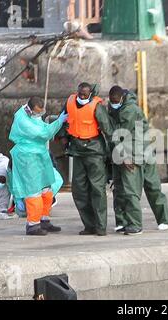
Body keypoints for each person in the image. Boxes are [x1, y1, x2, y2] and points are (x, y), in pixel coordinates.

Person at [107, 85, 168, 235]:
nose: (113, 103)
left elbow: (119, 135)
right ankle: (163, 220)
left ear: (122, 98)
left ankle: (135, 224)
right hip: (145, 151)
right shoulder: (125, 107)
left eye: (115, 100)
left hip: (133, 154)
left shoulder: (128, 111)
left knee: (129, 190)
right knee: (152, 186)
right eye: (111, 101)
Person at [8, 96, 68, 236]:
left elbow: (42, 126)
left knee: (47, 189)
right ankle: (33, 225)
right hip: (27, 156)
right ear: (30, 109)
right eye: (38, 112)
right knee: (33, 190)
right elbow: (44, 133)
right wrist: (59, 121)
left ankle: (44, 220)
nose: (40, 115)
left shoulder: (31, 114)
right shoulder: (23, 120)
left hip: (39, 154)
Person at [58, 82, 112, 236]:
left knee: (97, 189)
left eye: (85, 95)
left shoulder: (97, 106)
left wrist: (116, 151)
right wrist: (62, 136)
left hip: (94, 151)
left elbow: (107, 129)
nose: (81, 97)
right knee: (79, 190)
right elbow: (64, 119)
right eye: (80, 93)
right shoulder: (69, 102)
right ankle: (89, 225)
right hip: (77, 151)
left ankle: (101, 227)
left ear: (90, 94)